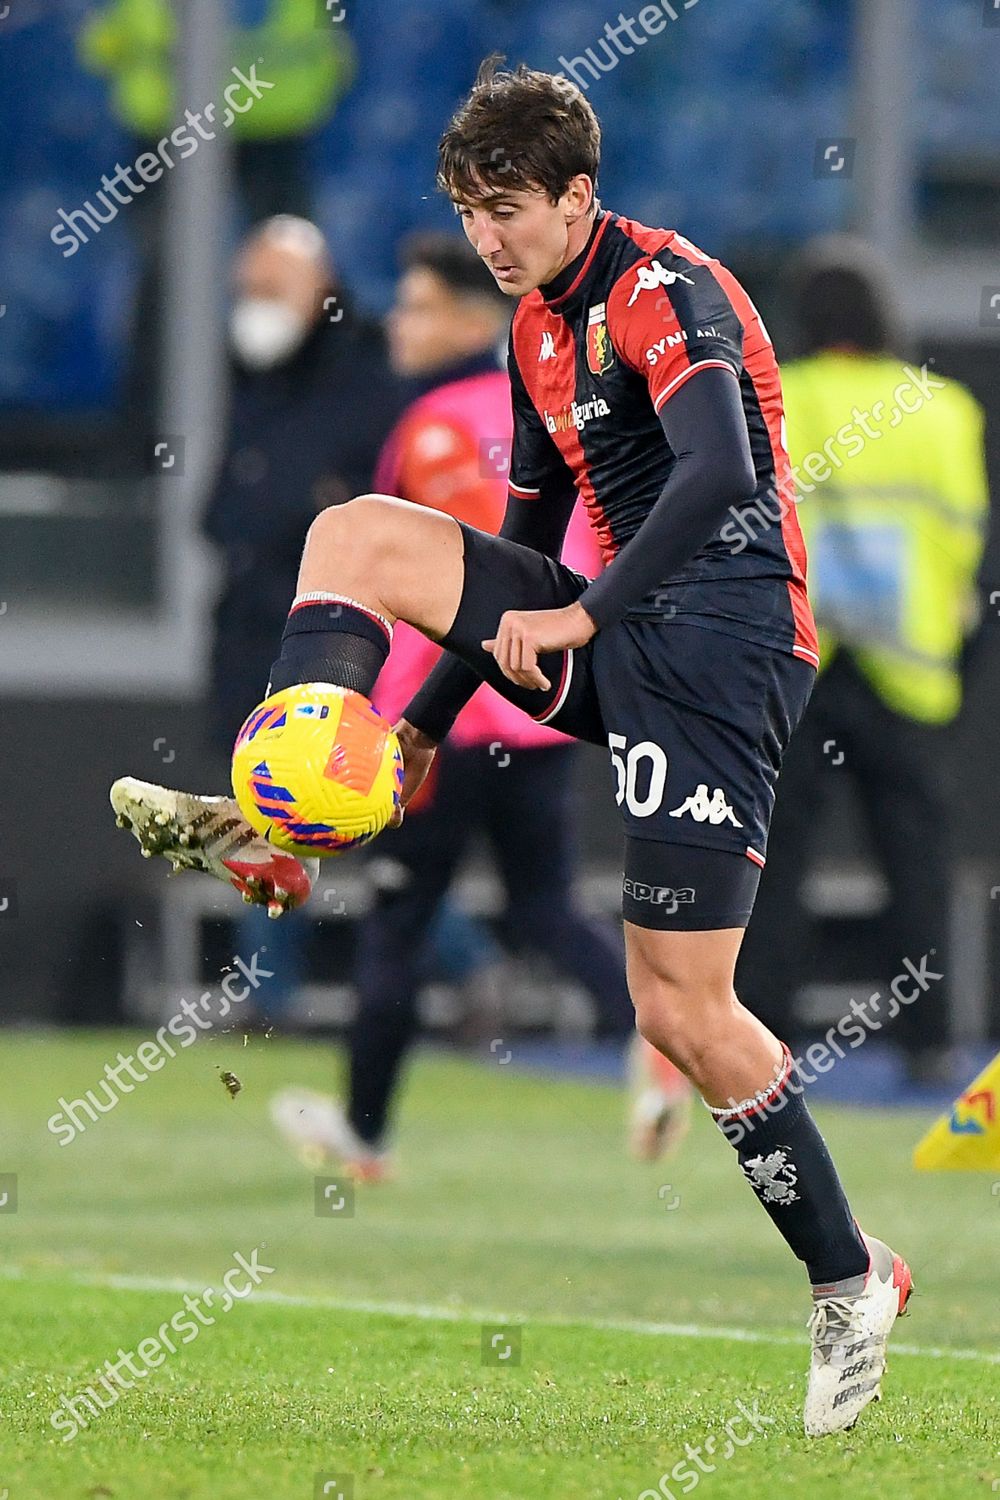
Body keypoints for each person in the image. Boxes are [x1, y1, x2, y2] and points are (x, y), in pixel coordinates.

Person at [112, 58, 912, 1436]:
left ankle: (854, 1276)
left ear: (577, 195)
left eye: (508, 208)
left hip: (725, 647)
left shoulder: (667, 288)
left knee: (683, 1010)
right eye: (471, 212)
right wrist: (420, 725)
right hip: (614, 627)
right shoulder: (534, 331)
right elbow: (526, 550)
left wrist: (587, 615)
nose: (487, 236)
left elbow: (723, 471)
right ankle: (316, 779)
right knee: (357, 535)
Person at [270, 231, 662, 1178]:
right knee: (544, 908)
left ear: (470, 319)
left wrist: (383, 718)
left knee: (399, 924)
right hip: (545, 705)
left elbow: (391, 582)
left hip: (439, 722)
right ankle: (657, 1049)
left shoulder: (433, 425)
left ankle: (364, 1132)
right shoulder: (568, 415)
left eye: (412, 304)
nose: (396, 322)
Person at [737, 240, 989, 1086]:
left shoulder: (778, 396)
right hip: (906, 668)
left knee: (775, 859)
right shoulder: (943, 407)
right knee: (916, 859)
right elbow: (963, 535)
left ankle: (762, 1045)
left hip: (801, 662)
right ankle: (927, 1046)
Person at [202, 215, 404, 1011]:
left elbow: (378, 517)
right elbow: (223, 506)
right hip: (248, 630)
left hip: (335, 643)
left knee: (304, 814)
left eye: (272, 289)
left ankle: (273, 995)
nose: (254, 306)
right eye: (246, 289)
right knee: (275, 815)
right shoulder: (256, 381)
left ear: (321, 290)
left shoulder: (368, 382)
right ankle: (272, 993)